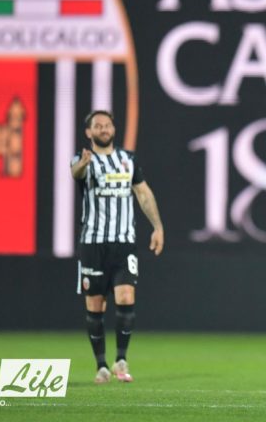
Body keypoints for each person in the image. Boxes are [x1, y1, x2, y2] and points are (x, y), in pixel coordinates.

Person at [71, 110, 165, 384]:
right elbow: (76, 172)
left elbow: (143, 194)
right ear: (89, 132)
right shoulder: (82, 160)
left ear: (113, 129)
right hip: (93, 244)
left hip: (124, 243)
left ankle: (121, 359)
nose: (103, 129)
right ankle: (101, 365)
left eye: (107, 125)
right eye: (98, 125)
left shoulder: (127, 160)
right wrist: (82, 165)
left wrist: (157, 227)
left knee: (126, 297)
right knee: (95, 305)